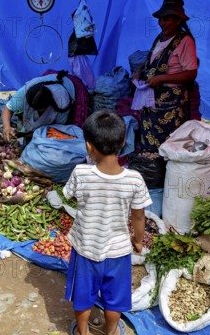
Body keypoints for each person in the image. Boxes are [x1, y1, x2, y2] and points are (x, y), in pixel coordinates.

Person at [63, 110, 150, 335]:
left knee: (82, 298)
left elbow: (69, 195)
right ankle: (111, 331)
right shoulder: (134, 179)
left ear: (89, 146)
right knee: (114, 300)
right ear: (123, 142)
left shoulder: (80, 173)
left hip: (85, 249)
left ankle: (83, 332)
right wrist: (138, 241)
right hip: (118, 251)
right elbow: (138, 216)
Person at [131, 0, 198, 152]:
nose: (162, 23)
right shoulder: (160, 38)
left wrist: (162, 78)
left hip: (171, 103)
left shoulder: (185, 41)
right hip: (152, 100)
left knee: (169, 144)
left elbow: (191, 73)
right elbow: (151, 61)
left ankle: (166, 173)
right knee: (150, 141)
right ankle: (152, 171)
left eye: (166, 19)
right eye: (160, 19)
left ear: (178, 21)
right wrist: (139, 71)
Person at [1, 71, 75, 142]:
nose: (35, 110)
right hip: (50, 81)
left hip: (69, 87)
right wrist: (7, 127)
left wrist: (29, 134)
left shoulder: (61, 103)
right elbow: (8, 108)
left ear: (48, 105)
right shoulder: (25, 92)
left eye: (40, 109)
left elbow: (56, 130)